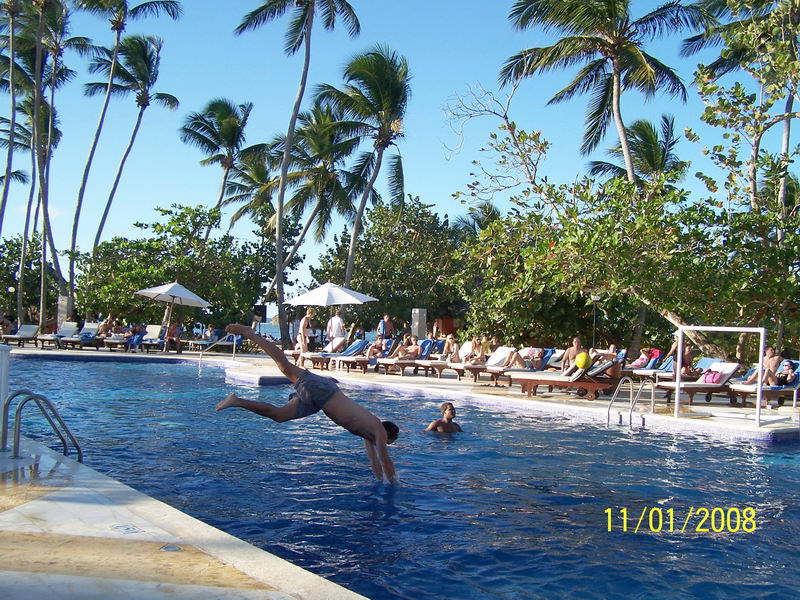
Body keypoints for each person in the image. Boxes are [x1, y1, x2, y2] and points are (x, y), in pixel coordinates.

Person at [216, 324, 398, 482]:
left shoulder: (369, 435)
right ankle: (250, 334)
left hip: (318, 403)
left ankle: (237, 400)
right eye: (388, 442)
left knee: (279, 416)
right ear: (388, 435)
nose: (384, 444)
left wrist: (381, 482)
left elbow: (375, 461)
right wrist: (394, 484)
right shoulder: (379, 430)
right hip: (324, 391)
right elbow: (385, 459)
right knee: (284, 366)